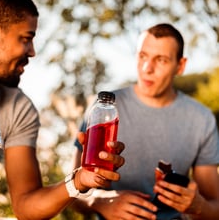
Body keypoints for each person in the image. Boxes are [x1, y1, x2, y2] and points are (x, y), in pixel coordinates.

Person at [0, 0, 125, 219]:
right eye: (25, 39)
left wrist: (78, 181)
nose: (32, 52)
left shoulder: (18, 107)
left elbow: (26, 206)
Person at [72, 23, 219, 220]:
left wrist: (198, 206)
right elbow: (72, 193)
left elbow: (214, 205)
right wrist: (100, 202)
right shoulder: (103, 110)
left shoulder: (201, 119)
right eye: (142, 56)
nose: (147, 68)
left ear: (180, 65)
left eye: (161, 60)